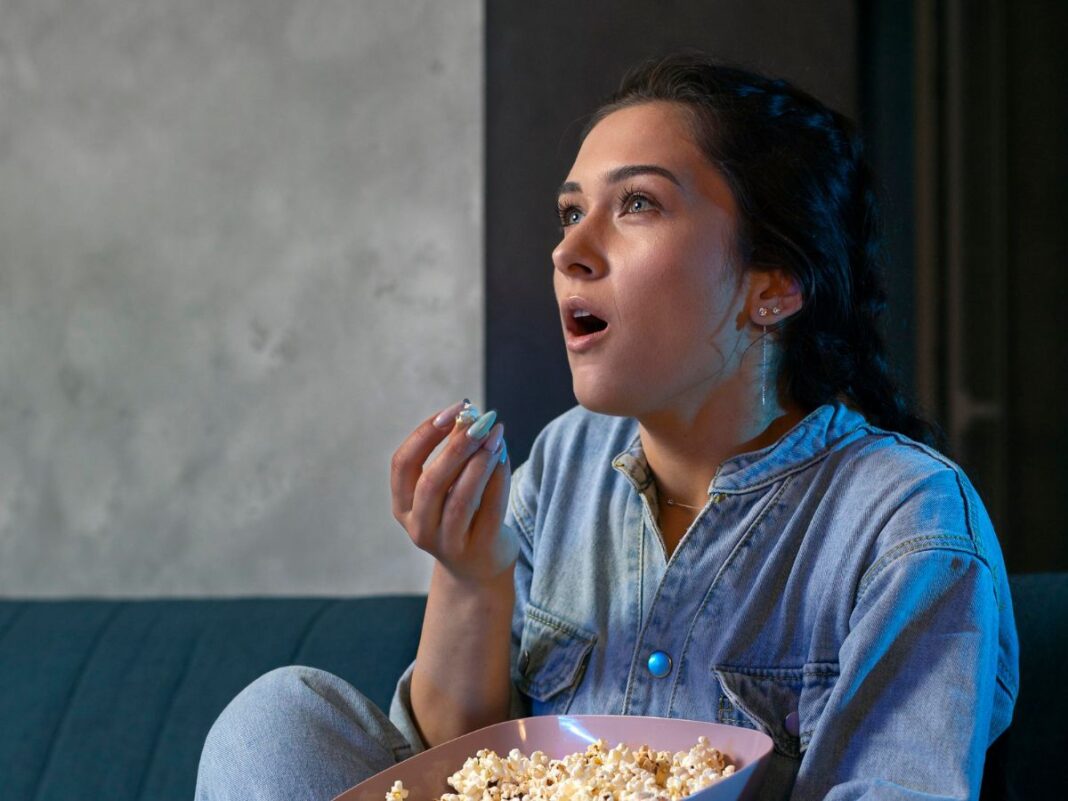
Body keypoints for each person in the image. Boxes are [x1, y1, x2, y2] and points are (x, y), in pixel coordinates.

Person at [196, 53, 1018, 800]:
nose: (569, 251)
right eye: (568, 213)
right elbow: (456, 772)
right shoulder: (560, 464)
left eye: (636, 204)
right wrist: (471, 575)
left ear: (774, 286)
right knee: (278, 720)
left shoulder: (909, 522)